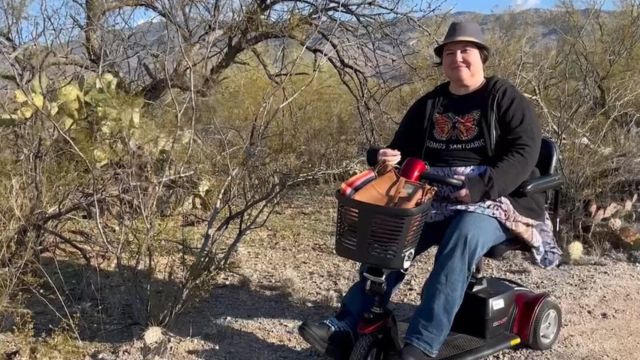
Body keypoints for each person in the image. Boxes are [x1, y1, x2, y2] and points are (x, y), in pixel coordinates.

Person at [298, 21, 561, 360]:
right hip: (434, 195)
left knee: (462, 237)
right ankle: (347, 323)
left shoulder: (504, 97)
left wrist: (482, 186)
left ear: (482, 56)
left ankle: (421, 344)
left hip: (493, 199)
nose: (458, 58)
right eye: (449, 53)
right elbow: (401, 149)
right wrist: (384, 156)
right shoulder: (431, 104)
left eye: (466, 50)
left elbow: (524, 153)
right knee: (388, 238)